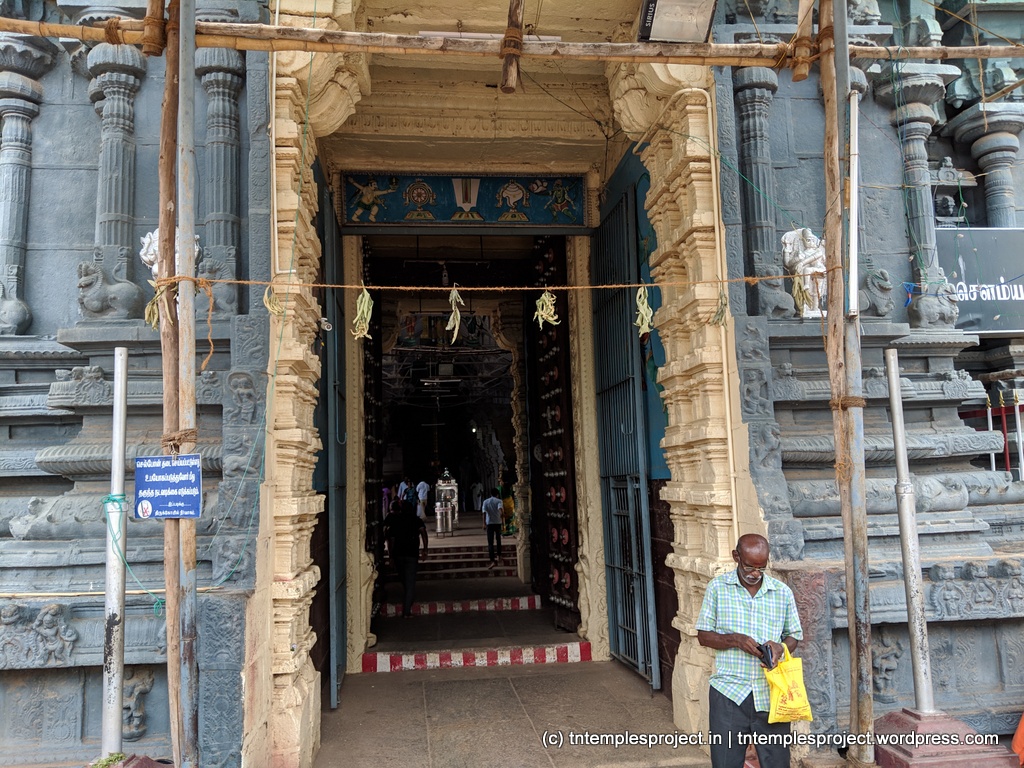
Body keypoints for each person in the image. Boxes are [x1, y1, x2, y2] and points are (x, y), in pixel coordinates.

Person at [695, 533, 803, 768]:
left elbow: (794, 635)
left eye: (761, 568)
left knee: (777, 763)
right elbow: (703, 636)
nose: (755, 573)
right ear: (736, 557)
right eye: (749, 567)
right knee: (725, 763)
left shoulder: (782, 592)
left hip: (772, 693)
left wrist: (780, 647)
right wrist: (735, 640)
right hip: (729, 693)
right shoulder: (717, 588)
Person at [383, 500, 428, 618]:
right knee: (410, 582)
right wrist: (425, 549)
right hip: (412, 555)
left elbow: (391, 540)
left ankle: (408, 601)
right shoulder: (416, 520)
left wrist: (391, 556)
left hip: (398, 555)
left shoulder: (396, 521)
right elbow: (423, 533)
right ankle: (406, 611)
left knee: (404, 579)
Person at [482, 488, 504, 569]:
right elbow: (500, 510)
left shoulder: (485, 501)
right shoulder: (499, 501)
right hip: (497, 523)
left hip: (489, 523)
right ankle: (499, 555)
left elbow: (484, 513)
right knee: (498, 540)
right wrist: (502, 517)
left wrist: (484, 523)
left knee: (490, 542)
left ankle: (492, 560)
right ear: (497, 494)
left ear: (491, 494)